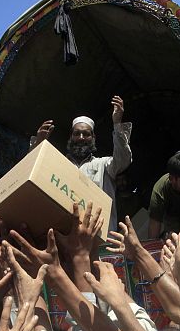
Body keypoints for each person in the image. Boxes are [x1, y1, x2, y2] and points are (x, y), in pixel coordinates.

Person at [32, 95, 132, 231]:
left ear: (93, 137)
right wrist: (38, 145)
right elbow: (33, 172)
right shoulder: (58, 164)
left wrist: (117, 124)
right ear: (71, 136)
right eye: (77, 133)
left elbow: (123, 158)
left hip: (99, 238)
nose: (81, 138)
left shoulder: (103, 165)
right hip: (65, 235)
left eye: (86, 134)